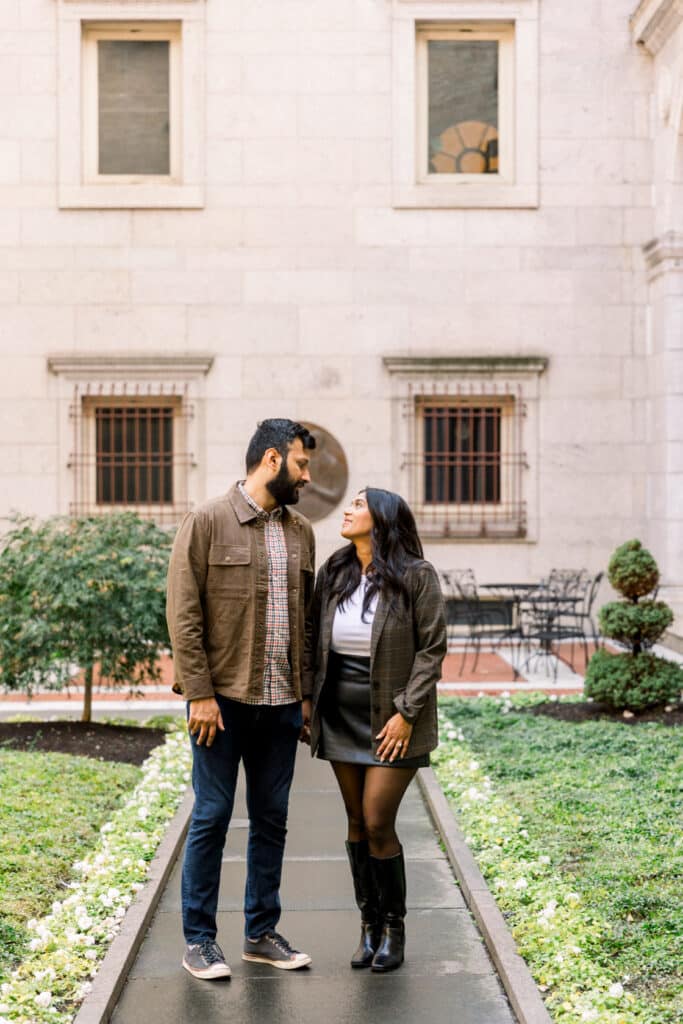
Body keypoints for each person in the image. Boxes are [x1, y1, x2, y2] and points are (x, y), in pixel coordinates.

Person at [166, 418, 317, 980]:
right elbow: (184, 614)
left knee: (272, 818)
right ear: (273, 460)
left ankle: (259, 932)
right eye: (301, 465)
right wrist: (199, 694)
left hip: (281, 702)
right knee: (211, 814)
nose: (306, 477)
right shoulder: (207, 520)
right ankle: (199, 940)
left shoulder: (301, 531)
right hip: (221, 702)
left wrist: (304, 697)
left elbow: (304, 621)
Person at [302, 488, 446, 973]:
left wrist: (406, 713)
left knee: (377, 818)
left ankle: (395, 927)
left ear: (382, 519)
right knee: (356, 821)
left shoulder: (416, 576)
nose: (348, 510)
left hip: (393, 716)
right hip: (340, 711)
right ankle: (368, 926)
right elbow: (312, 638)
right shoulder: (336, 571)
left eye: (359, 504)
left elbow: (432, 649)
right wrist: (307, 698)